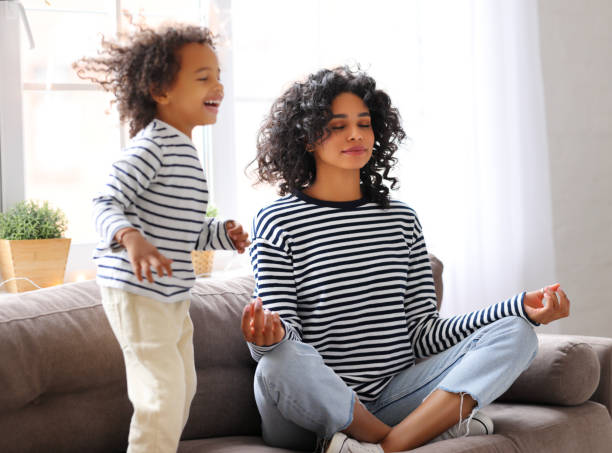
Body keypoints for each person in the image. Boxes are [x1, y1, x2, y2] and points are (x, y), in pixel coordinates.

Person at [241, 66, 570, 453]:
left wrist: (519, 308)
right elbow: (286, 339)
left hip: (394, 397)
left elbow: (423, 334)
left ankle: (384, 445)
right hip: (308, 412)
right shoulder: (278, 220)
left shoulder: (401, 220)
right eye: (337, 125)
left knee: (516, 333)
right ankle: (409, 435)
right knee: (276, 363)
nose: (355, 135)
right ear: (307, 138)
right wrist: (268, 339)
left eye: (364, 124)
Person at [74, 24, 250, 453]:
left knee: (183, 388)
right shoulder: (151, 146)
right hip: (137, 290)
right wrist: (131, 238)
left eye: (218, 74)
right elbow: (102, 202)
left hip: (172, 293)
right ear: (160, 89)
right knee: (160, 395)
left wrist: (222, 236)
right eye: (203, 77)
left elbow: (184, 230)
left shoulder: (185, 152)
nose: (218, 86)